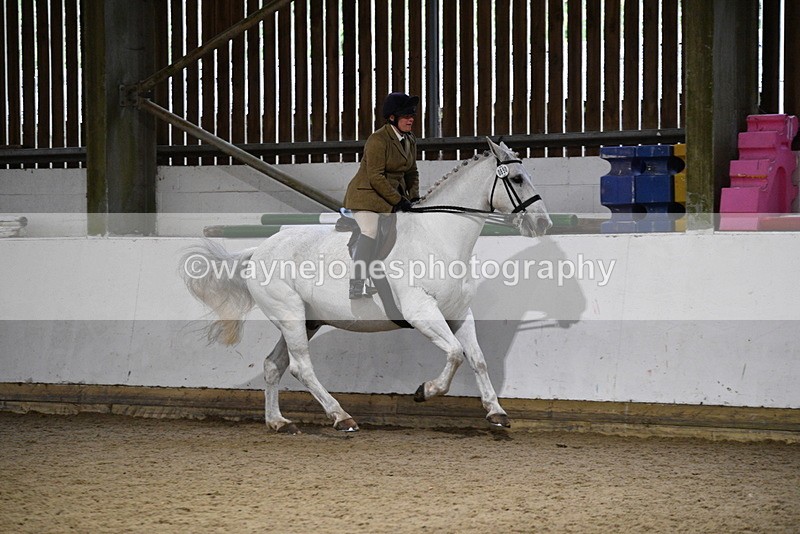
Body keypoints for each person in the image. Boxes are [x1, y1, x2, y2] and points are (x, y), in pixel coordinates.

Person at [343, 91, 420, 299]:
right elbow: (375, 177)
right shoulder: (378, 140)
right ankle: (357, 282)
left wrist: (413, 197)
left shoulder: (409, 140)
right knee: (370, 230)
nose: (411, 119)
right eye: (406, 115)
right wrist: (398, 201)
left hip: (390, 196)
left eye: (412, 115)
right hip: (366, 196)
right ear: (393, 118)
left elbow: (412, 172)